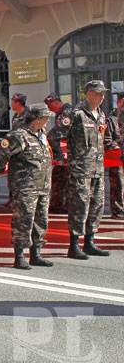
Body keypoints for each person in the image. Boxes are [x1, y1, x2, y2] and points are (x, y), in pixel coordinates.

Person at [0, 104, 55, 269]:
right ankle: (19, 256)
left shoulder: (41, 134)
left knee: (41, 221)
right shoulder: (18, 136)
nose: (48, 121)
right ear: (38, 119)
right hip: (25, 187)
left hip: (42, 185)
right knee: (23, 221)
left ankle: (36, 254)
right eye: (47, 118)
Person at [65, 81, 116, 259]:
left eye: (104, 93)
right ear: (89, 94)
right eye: (99, 93)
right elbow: (57, 135)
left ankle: (89, 242)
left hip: (98, 170)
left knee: (96, 206)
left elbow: (105, 139)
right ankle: (74, 245)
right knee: (80, 206)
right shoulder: (76, 114)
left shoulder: (101, 115)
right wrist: (65, 158)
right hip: (81, 170)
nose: (103, 96)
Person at [45, 93, 72, 213]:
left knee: (68, 180)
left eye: (51, 107)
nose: (51, 110)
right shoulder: (61, 113)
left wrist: (58, 154)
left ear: (56, 103)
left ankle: (67, 205)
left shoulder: (67, 113)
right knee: (57, 177)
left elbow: (58, 135)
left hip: (68, 153)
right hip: (63, 152)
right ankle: (56, 204)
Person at [107, 96, 124, 219]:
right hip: (115, 159)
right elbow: (107, 141)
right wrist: (117, 147)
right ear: (118, 103)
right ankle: (117, 210)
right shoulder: (111, 120)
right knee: (118, 184)